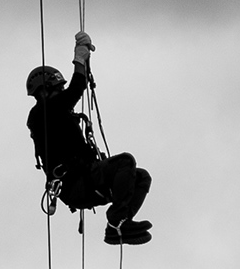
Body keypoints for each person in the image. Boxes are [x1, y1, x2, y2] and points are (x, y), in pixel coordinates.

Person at [25, 35, 152, 243]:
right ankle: (116, 221)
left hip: (85, 179)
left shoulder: (56, 114)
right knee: (124, 162)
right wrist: (80, 58)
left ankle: (119, 225)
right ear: (44, 91)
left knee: (141, 177)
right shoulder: (42, 113)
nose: (62, 93)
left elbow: (73, 91)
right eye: (57, 89)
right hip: (76, 183)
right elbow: (77, 87)